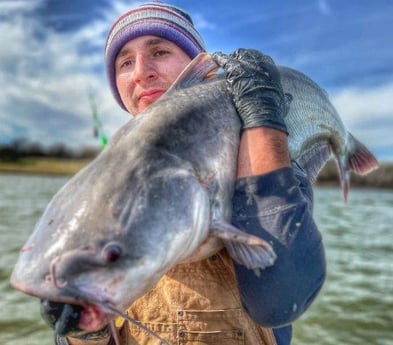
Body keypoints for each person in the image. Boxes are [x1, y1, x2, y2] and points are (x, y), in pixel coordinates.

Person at [41, 2, 326, 345]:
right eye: (125, 62)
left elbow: (282, 301)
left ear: (201, 68)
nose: (140, 72)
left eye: (159, 51)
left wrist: (263, 123)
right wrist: (83, 328)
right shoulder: (99, 189)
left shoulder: (267, 157)